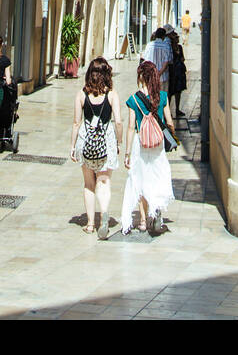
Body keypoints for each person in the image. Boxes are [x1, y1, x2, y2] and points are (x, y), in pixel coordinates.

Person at [121, 58, 175, 236]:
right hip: (157, 144)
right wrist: (169, 135)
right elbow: (169, 122)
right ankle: (156, 209)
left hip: (140, 143)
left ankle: (143, 220)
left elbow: (130, 127)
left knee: (140, 178)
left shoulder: (134, 100)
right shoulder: (162, 97)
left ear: (141, 77)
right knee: (157, 175)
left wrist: (127, 152)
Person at [70, 57, 122, 240]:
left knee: (89, 183)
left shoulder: (81, 94)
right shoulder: (112, 95)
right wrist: (119, 142)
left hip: (86, 142)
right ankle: (104, 215)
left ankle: (91, 224)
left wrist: (72, 146)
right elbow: (118, 121)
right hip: (106, 142)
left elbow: (77, 122)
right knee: (103, 181)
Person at [166, 26, 188, 121]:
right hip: (172, 71)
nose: (177, 39)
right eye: (176, 38)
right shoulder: (170, 47)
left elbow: (182, 58)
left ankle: (177, 109)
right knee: (170, 92)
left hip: (180, 71)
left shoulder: (179, 47)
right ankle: (168, 110)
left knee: (179, 91)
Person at [142, 27, 172, 92]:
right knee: (162, 97)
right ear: (164, 36)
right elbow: (167, 61)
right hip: (163, 77)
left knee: (152, 96)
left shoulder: (149, 45)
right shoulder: (166, 46)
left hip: (151, 76)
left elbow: (146, 60)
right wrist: (159, 73)